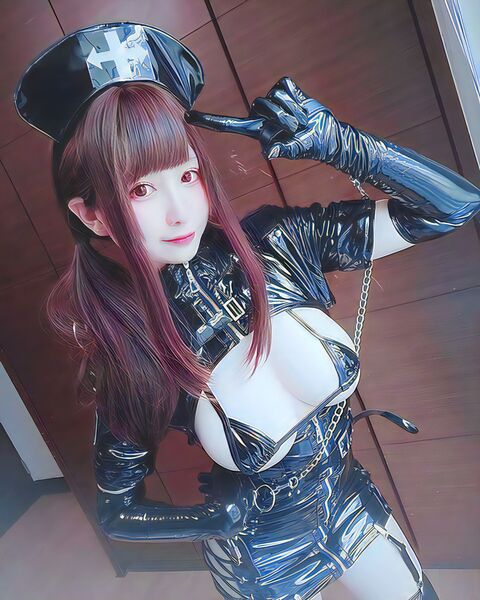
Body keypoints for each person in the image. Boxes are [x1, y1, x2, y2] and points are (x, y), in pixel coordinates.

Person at [14, 21, 480, 600]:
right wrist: (214, 519)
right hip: (261, 554)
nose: (180, 210)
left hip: (349, 500)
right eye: (140, 190)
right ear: (93, 216)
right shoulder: (131, 353)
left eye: (186, 175)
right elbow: (117, 509)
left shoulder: (276, 245)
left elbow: (451, 206)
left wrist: (339, 143)